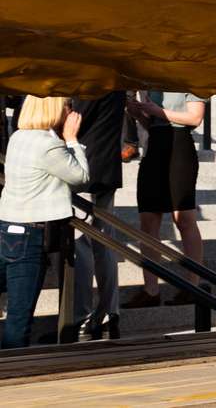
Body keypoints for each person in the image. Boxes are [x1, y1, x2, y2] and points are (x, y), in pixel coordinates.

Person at [0, 96, 86, 348]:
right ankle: (12, 373)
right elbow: (81, 176)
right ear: (54, 109)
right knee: (19, 316)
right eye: (67, 105)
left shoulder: (18, 137)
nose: (71, 110)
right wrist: (72, 139)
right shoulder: (48, 145)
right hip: (31, 235)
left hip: (7, 228)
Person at [124, 91, 206, 307]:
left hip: (180, 147)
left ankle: (193, 286)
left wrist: (157, 111)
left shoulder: (190, 79)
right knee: (148, 218)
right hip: (155, 147)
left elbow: (195, 118)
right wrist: (138, 114)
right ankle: (151, 290)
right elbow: (152, 123)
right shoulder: (153, 82)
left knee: (184, 218)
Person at [70, 91, 126, 340]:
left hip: (85, 168)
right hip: (106, 167)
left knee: (80, 243)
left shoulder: (92, 81)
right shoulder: (114, 78)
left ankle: (80, 318)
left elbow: (77, 119)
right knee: (105, 241)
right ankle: (108, 313)